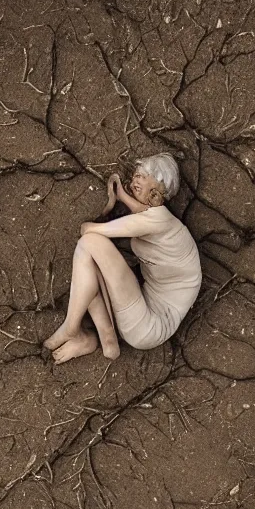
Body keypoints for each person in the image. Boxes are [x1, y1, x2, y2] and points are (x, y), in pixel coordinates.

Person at [43, 153, 201, 363]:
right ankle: (100, 338)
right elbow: (143, 213)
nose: (136, 180)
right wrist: (121, 197)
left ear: (160, 187)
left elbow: (88, 230)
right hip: (137, 317)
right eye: (136, 175)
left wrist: (112, 204)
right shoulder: (160, 220)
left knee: (89, 243)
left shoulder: (160, 219)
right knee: (90, 262)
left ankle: (72, 328)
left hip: (150, 325)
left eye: (145, 176)